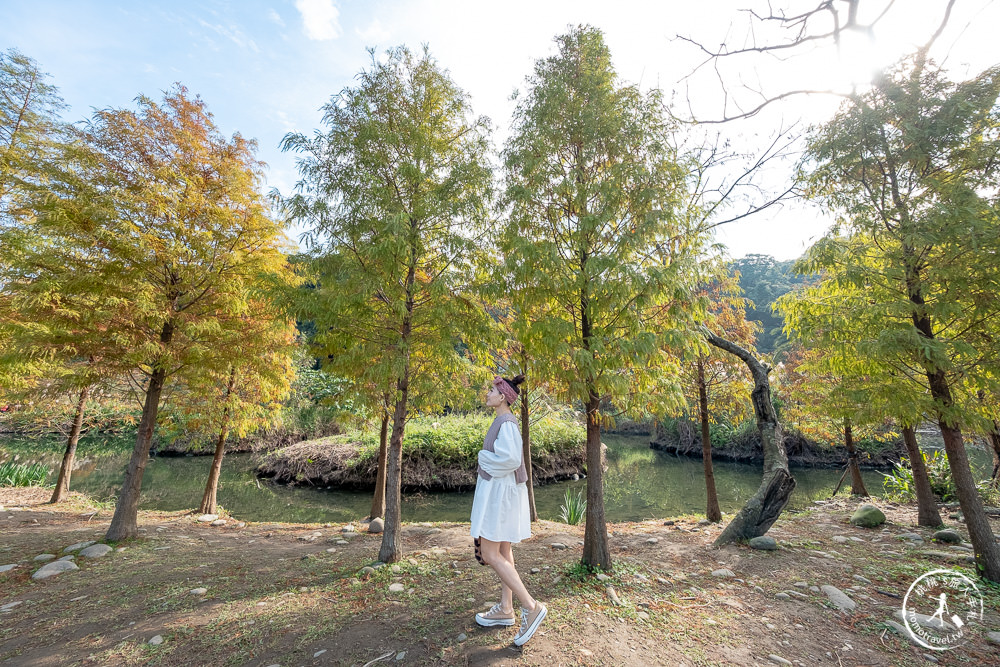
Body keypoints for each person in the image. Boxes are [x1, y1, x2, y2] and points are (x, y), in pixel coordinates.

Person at [470, 373, 547, 646]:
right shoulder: (503, 422)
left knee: (490, 553)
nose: (488, 394)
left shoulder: (506, 423)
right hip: (501, 494)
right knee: (503, 550)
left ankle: (530, 606)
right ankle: (505, 609)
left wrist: (483, 457)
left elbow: (512, 459)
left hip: (500, 498)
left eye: (491, 391)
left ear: (503, 397)